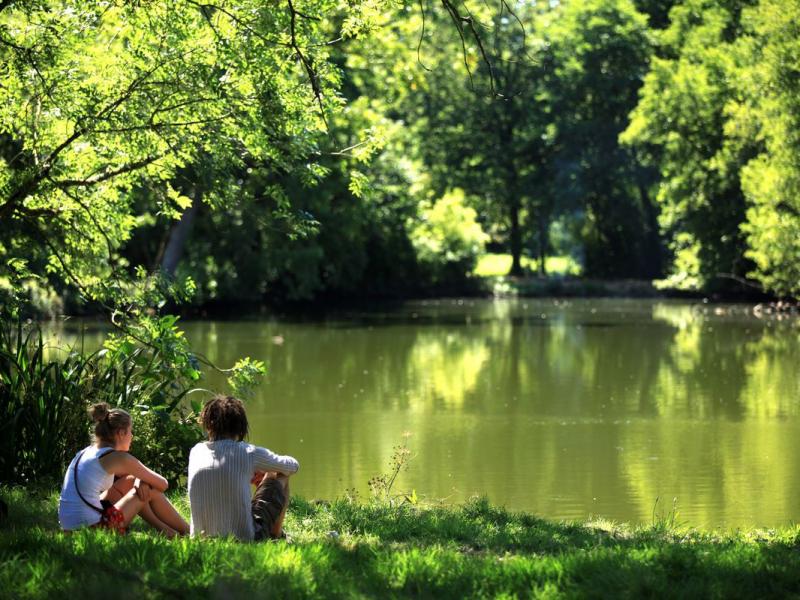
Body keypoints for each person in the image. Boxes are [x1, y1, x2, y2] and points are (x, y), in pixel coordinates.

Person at [58, 402, 189, 537]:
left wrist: (139, 480)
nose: (132, 436)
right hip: (94, 531)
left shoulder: (87, 452)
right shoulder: (119, 458)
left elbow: (131, 477)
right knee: (148, 488)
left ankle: (168, 531)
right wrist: (143, 482)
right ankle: (189, 532)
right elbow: (162, 484)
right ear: (121, 433)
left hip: (70, 530)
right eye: (130, 431)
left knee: (134, 482)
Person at [188, 394, 299, 541]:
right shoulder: (248, 452)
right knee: (280, 473)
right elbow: (293, 466)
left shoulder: (196, 451)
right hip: (245, 538)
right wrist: (265, 470)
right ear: (240, 426)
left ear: (208, 425)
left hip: (201, 539)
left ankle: (275, 535)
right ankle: (276, 535)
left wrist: (251, 470)